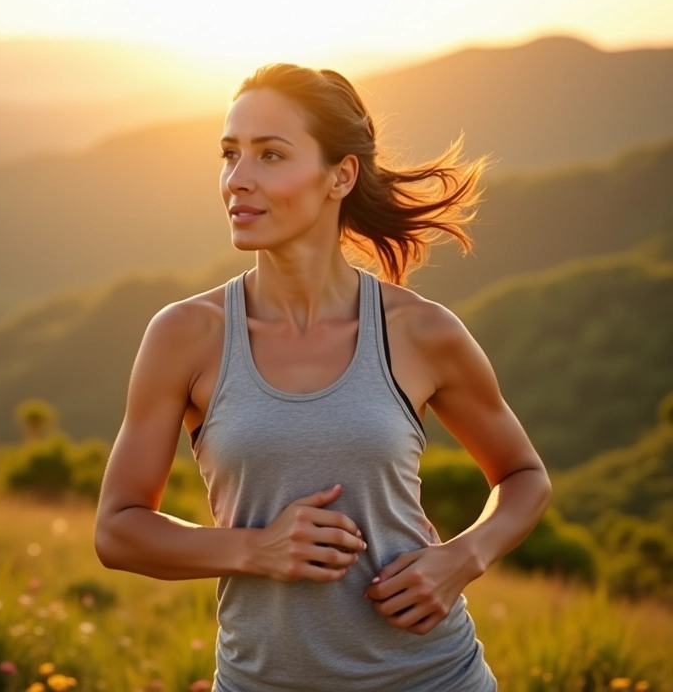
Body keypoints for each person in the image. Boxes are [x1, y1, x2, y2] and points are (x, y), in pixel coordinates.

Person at [94, 63, 552, 691]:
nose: (237, 181)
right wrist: (254, 550)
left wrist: (461, 558)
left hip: (433, 677)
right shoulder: (184, 336)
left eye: (270, 155)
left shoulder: (421, 332)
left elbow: (524, 478)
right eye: (230, 155)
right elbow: (118, 530)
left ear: (340, 175)